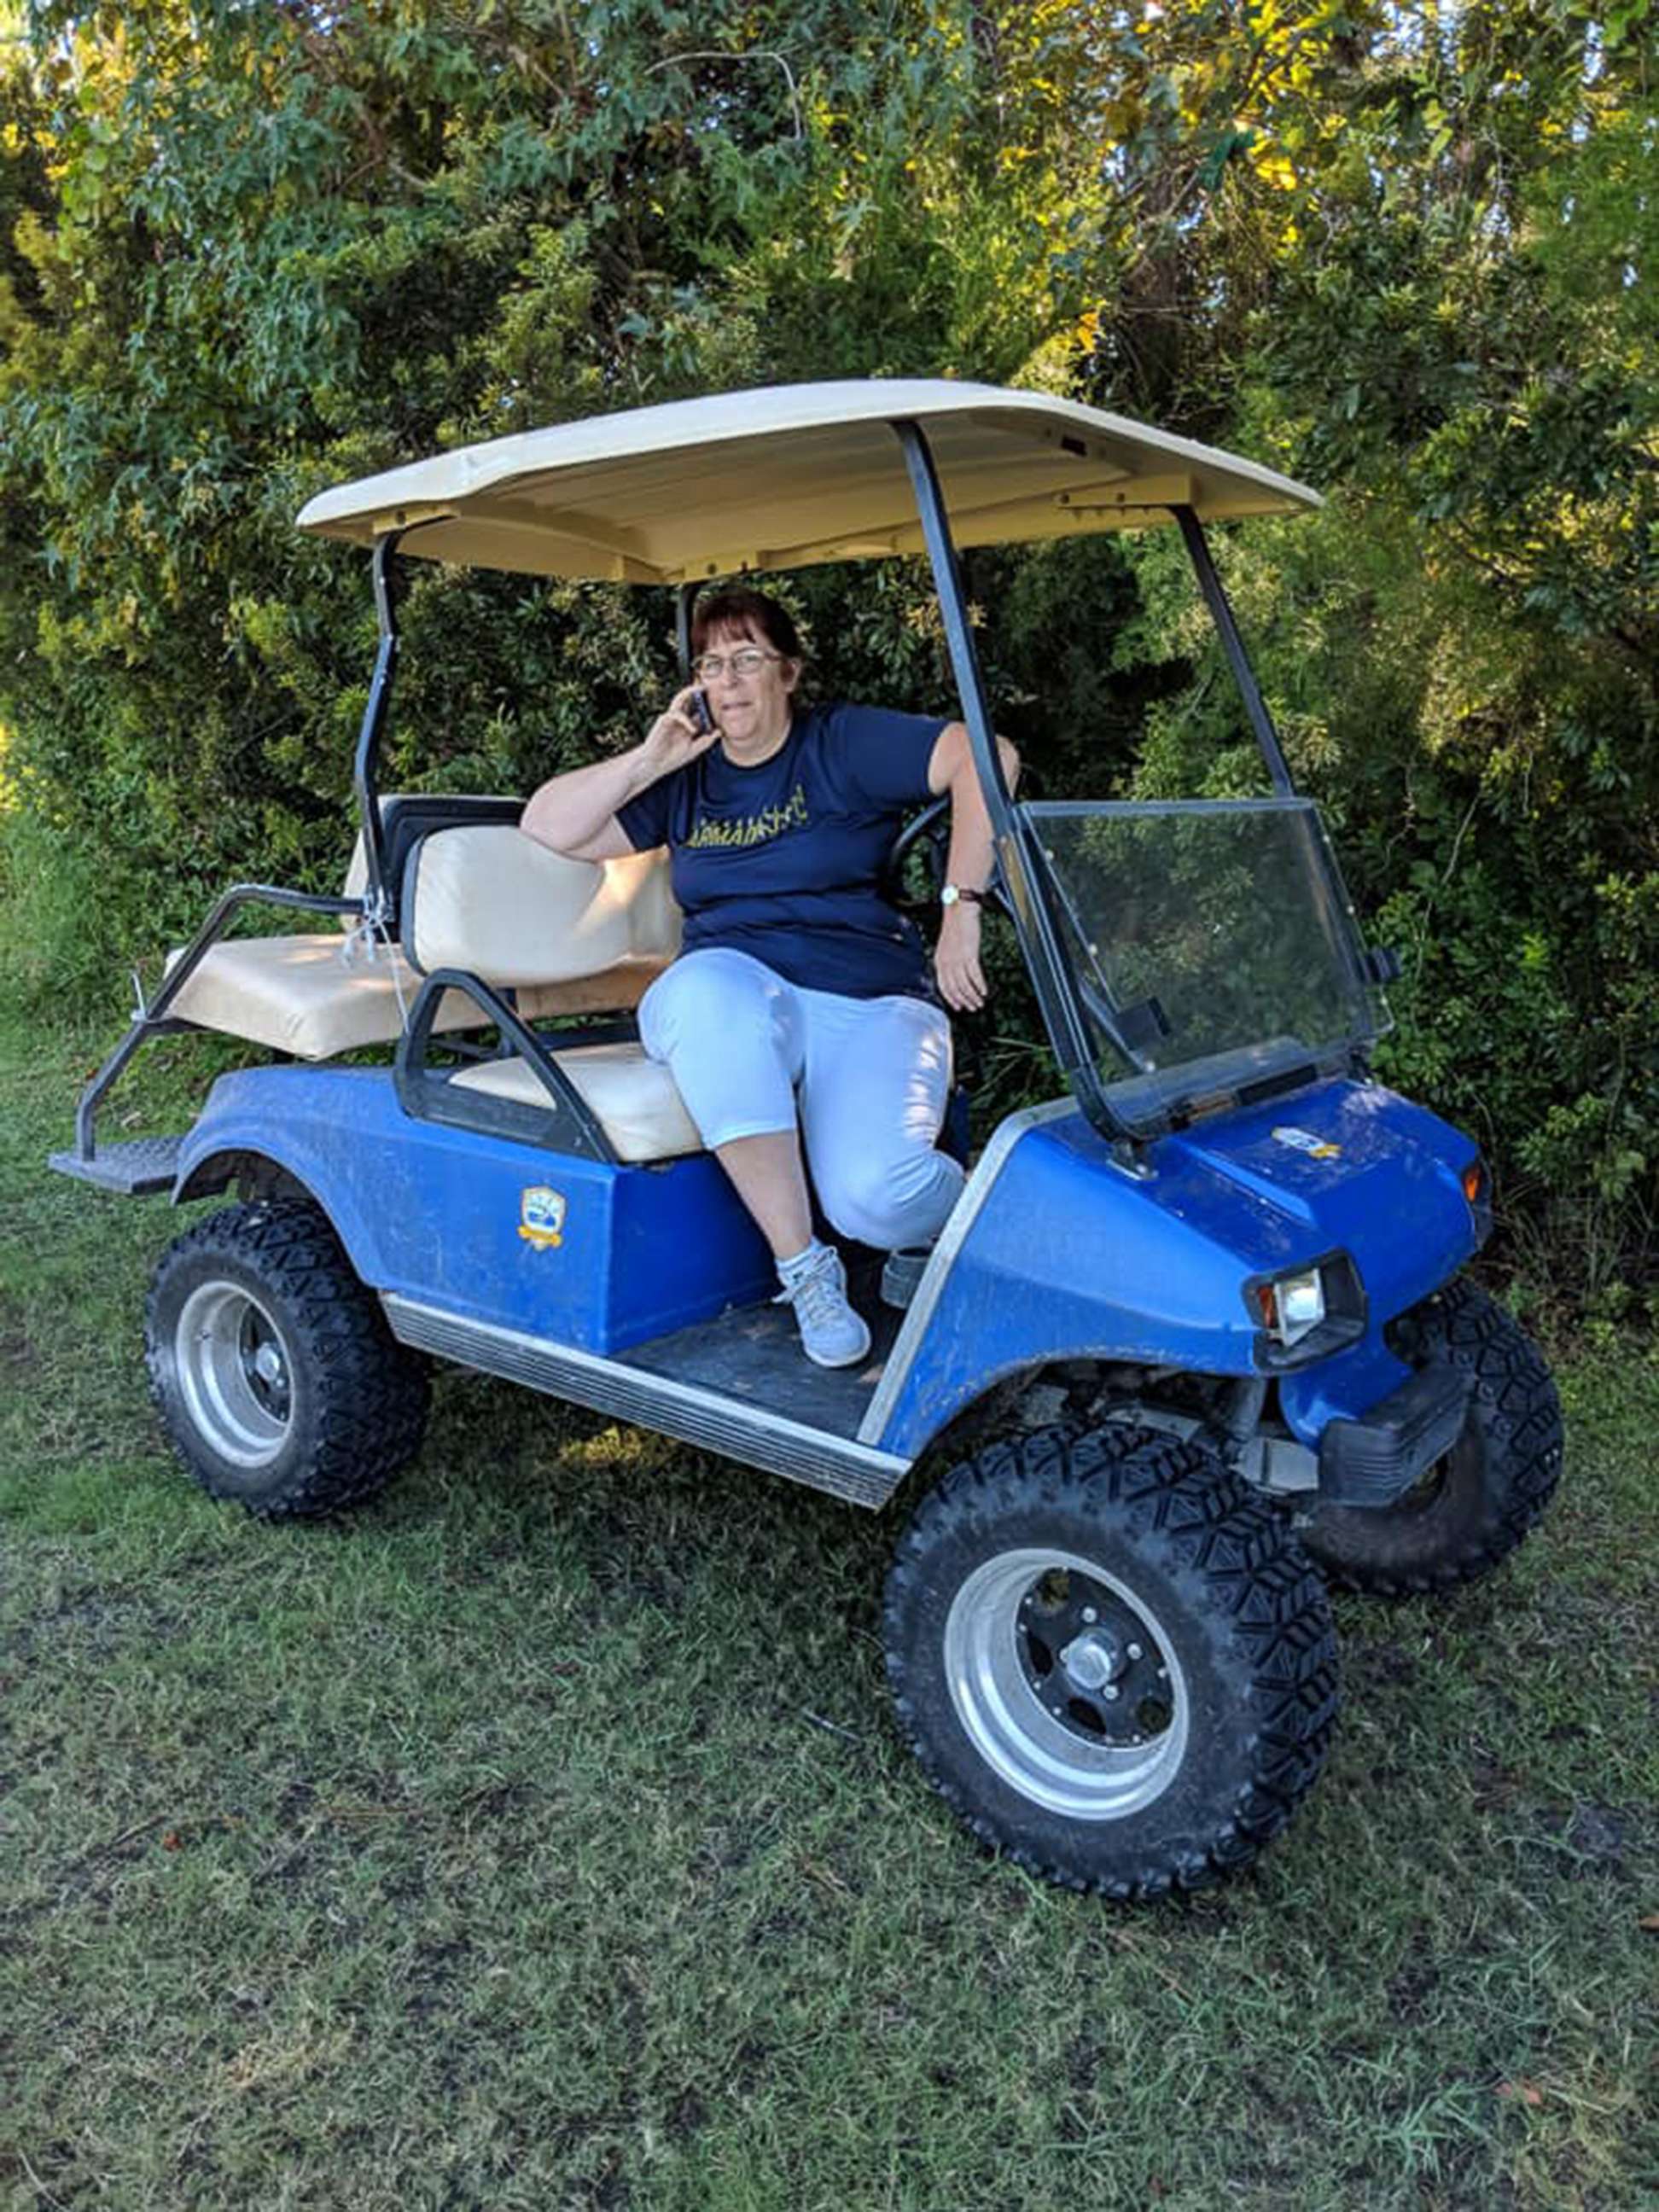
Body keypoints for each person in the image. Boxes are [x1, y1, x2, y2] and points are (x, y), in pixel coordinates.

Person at [521, 586, 1017, 1368]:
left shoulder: (840, 743)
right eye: (712, 665)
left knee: (876, 1200)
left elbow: (985, 757)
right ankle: (806, 1269)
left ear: (787, 672)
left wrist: (962, 907)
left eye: (748, 659)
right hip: (739, 1003)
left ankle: (991, 1219)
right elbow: (546, 825)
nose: (730, 681)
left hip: (869, 998)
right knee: (706, 993)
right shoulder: (685, 777)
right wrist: (652, 758)